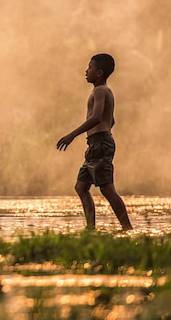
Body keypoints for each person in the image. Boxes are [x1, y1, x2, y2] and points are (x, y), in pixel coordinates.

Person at [57, 53, 132, 231]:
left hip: (100, 144)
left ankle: (127, 228)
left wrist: (72, 135)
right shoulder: (103, 91)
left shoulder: (100, 91)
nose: (86, 71)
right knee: (81, 186)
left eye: (89, 68)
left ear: (99, 73)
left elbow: (97, 117)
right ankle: (90, 230)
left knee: (107, 189)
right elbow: (111, 120)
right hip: (96, 144)